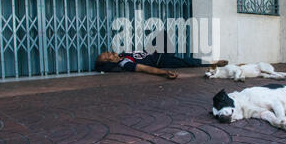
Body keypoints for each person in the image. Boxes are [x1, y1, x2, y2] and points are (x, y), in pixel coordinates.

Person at [94, 51, 227, 80]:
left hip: (158, 54)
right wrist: (164, 73)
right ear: (109, 62)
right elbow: (143, 68)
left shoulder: (123, 55)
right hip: (160, 62)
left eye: (106, 53)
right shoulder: (124, 63)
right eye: (106, 56)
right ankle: (213, 62)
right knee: (187, 62)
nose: (107, 53)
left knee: (186, 58)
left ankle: (210, 62)